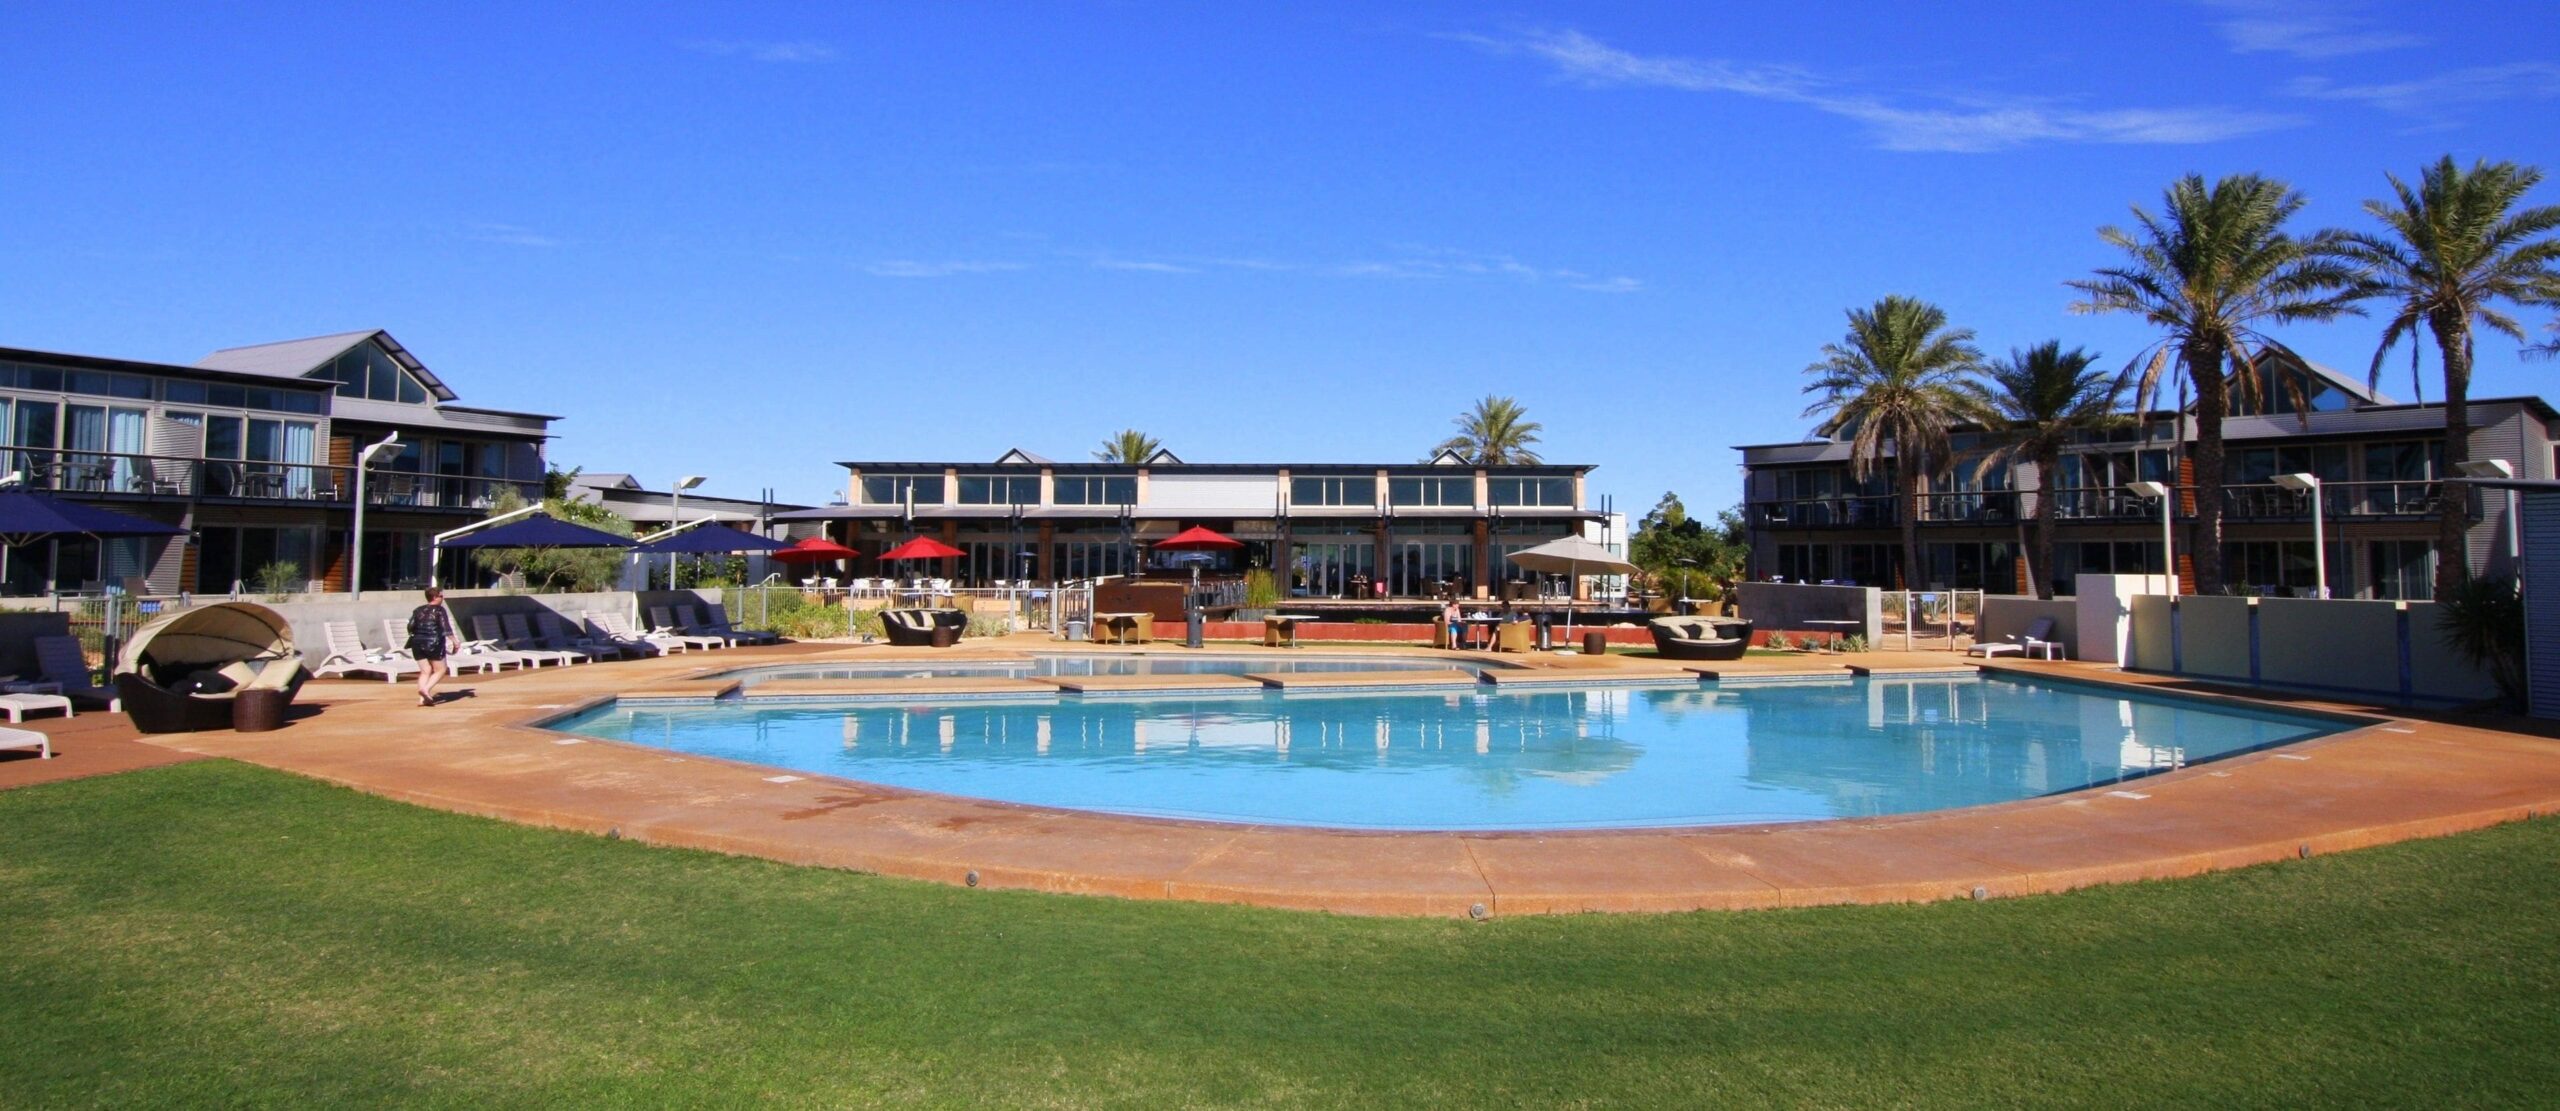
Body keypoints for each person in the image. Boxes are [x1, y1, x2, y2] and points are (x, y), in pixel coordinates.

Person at [406, 587, 461, 707]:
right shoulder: (440, 610)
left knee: (425, 671)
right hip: (433, 642)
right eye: (441, 596)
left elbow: (410, 626)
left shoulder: (418, 610)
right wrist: (455, 641)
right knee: (441, 669)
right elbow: (445, 627)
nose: (443, 598)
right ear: (435, 597)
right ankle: (426, 689)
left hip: (417, 642)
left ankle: (422, 699)